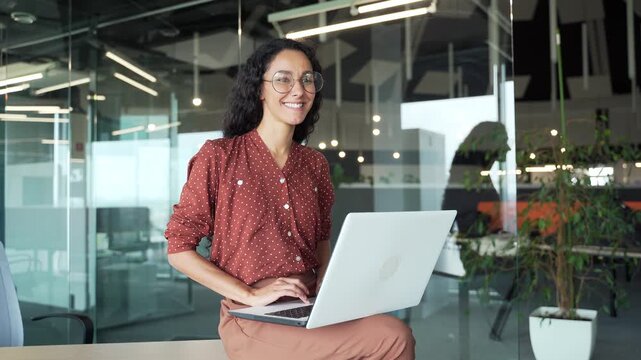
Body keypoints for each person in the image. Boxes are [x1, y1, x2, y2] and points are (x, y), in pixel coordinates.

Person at [164, 38, 415, 360]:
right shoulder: (219, 156)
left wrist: (328, 282)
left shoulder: (314, 164)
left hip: (311, 304)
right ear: (259, 89)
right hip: (252, 315)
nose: (298, 90)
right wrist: (250, 294)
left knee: (390, 329)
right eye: (283, 79)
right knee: (391, 337)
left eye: (307, 79)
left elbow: (320, 238)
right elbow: (179, 250)